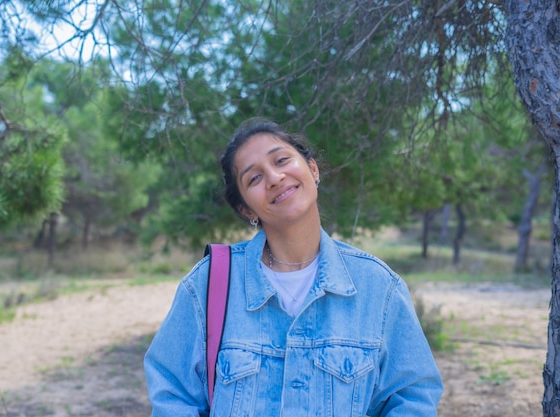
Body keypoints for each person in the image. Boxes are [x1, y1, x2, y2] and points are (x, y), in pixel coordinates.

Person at [144, 118, 443, 416]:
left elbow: (411, 397)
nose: (274, 177)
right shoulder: (208, 284)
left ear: (313, 169)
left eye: (282, 160)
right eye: (254, 178)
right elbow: (174, 397)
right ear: (246, 208)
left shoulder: (378, 286)